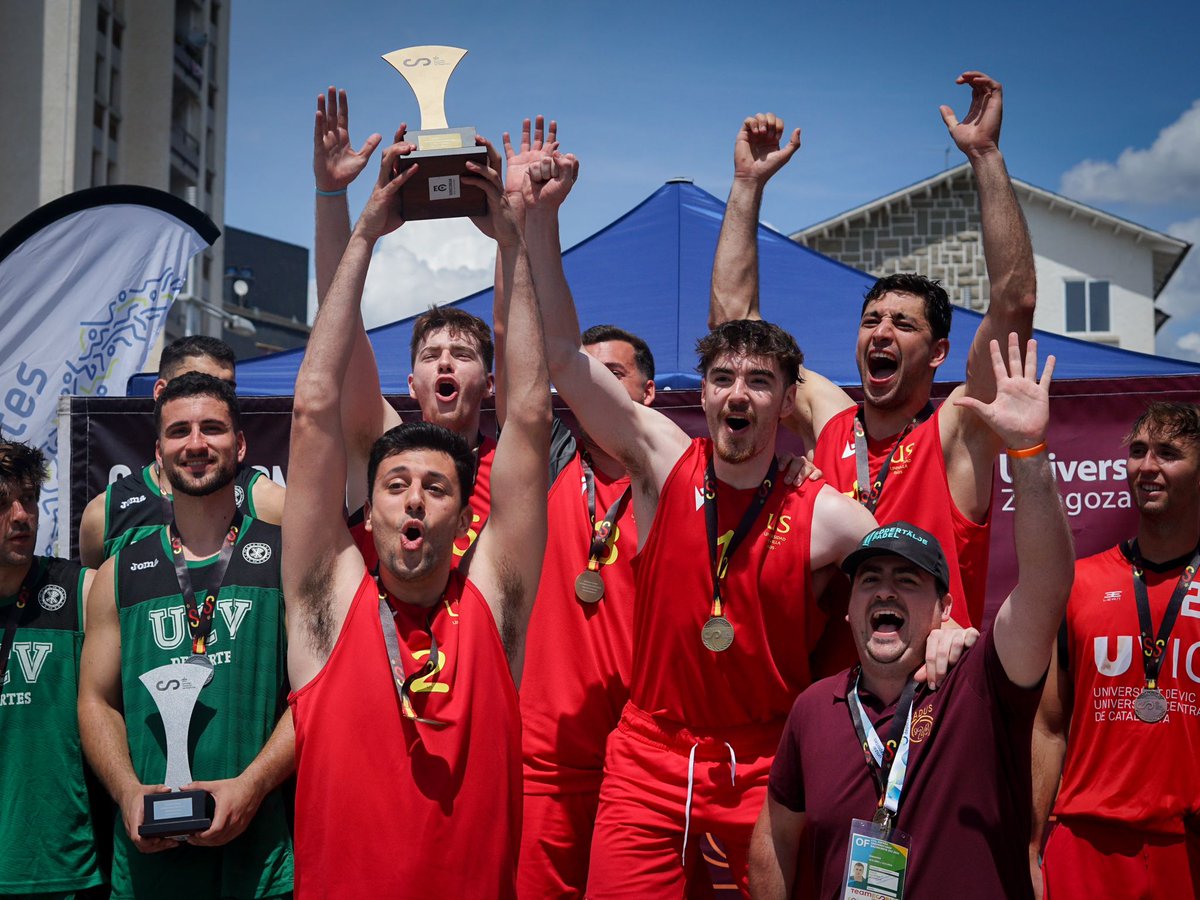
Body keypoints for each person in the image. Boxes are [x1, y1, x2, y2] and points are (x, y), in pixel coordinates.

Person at [523, 141, 882, 895]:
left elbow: (916, 574)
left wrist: (943, 625)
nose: (738, 394)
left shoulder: (827, 515)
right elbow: (561, 357)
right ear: (704, 396)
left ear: (786, 403)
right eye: (722, 379)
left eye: (758, 380)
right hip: (647, 759)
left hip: (762, 770)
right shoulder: (661, 459)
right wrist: (543, 221)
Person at [284, 129, 551, 898]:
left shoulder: (497, 603)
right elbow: (314, 408)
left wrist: (515, 239)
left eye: (436, 489)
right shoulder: (326, 609)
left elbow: (530, 414)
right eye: (395, 483)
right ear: (365, 513)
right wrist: (358, 228)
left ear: (465, 510)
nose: (412, 500)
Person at [709, 71, 1037, 630]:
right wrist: (746, 186)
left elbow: (1013, 300)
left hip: (930, 692)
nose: (880, 332)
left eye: (902, 325)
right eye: (870, 320)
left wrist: (984, 156)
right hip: (832, 696)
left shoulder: (960, 431)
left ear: (937, 353)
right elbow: (737, 330)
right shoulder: (833, 419)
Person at [750, 335, 1069, 900]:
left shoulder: (982, 685)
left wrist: (1028, 452)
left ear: (945, 607)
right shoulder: (813, 709)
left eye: (908, 580)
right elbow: (776, 835)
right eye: (869, 580)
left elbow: (1045, 586)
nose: (884, 592)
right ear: (848, 608)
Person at [78, 373, 294, 899]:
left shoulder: (288, 557)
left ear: (240, 444)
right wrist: (128, 793)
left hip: (262, 862)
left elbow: (317, 695)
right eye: (179, 432)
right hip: (150, 869)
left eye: (212, 428)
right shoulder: (119, 571)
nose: (195, 444)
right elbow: (95, 701)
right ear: (158, 451)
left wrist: (252, 785)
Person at [312, 87, 499, 570]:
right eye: (430, 354)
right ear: (410, 383)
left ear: (491, 383)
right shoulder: (383, 445)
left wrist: (509, 231)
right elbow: (342, 323)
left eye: (461, 354)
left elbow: (519, 328)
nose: (444, 361)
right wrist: (333, 194)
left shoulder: (518, 462)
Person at [1032, 401, 1200, 898]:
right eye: (1139, 451)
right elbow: (1047, 725)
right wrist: (1029, 841)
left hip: (1187, 851)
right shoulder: (1079, 581)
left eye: (1168, 453)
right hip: (1085, 844)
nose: (1147, 466)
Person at [78, 335, 285, 568]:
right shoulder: (104, 515)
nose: (213, 397)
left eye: (228, 388)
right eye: (197, 383)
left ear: (240, 444)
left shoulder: (270, 504)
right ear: (160, 392)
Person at [0, 440, 102, 895]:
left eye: (30, 499)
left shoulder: (82, 591)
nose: (22, 516)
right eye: (3, 504)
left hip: (63, 870)